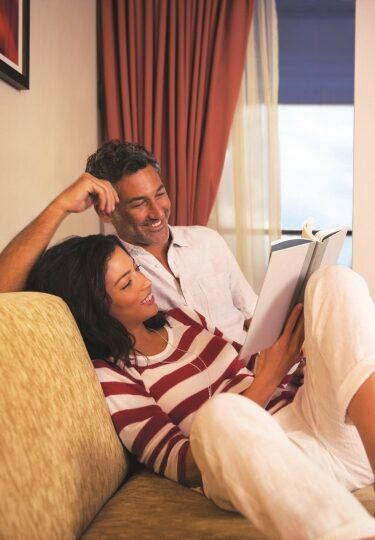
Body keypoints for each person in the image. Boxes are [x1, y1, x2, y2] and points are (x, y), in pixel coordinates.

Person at [25, 233, 375, 540]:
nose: (146, 283)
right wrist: (267, 379)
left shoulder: (185, 319)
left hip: (329, 432)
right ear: (97, 308)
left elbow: (250, 365)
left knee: (335, 280)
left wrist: (308, 352)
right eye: (126, 283)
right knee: (219, 413)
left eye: (136, 269)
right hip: (265, 462)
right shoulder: (112, 375)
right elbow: (185, 464)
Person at [0, 140, 257, 343]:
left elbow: (252, 314)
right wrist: (60, 206)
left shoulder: (207, 240)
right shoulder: (105, 272)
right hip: (200, 390)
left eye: (160, 194)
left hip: (255, 369)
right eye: (139, 203)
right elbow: (4, 292)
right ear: (106, 211)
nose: (158, 212)